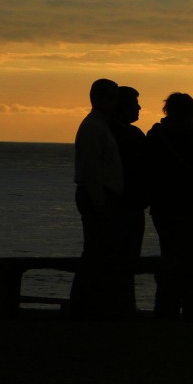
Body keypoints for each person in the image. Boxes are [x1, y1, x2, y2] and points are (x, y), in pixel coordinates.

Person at [147, 93, 193, 321]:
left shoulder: (155, 137)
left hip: (164, 211)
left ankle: (165, 309)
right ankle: (192, 311)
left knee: (170, 261)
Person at [68, 78, 125, 319]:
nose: (116, 103)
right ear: (98, 99)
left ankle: (89, 303)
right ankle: (82, 305)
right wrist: (100, 203)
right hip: (98, 195)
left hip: (100, 194)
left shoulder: (100, 126)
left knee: (99, 251)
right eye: (112, 98)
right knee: (95, 251)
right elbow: (91, 169)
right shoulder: (93, 127)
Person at [110, 86, 150, 316]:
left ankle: (124, 305)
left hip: (133, 205)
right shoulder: (117, 134)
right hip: (122, 206)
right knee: (121, 258)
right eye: (134, 103)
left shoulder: (134, 134)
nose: (139, 107)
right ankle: (120, 306)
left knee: (130, 259)